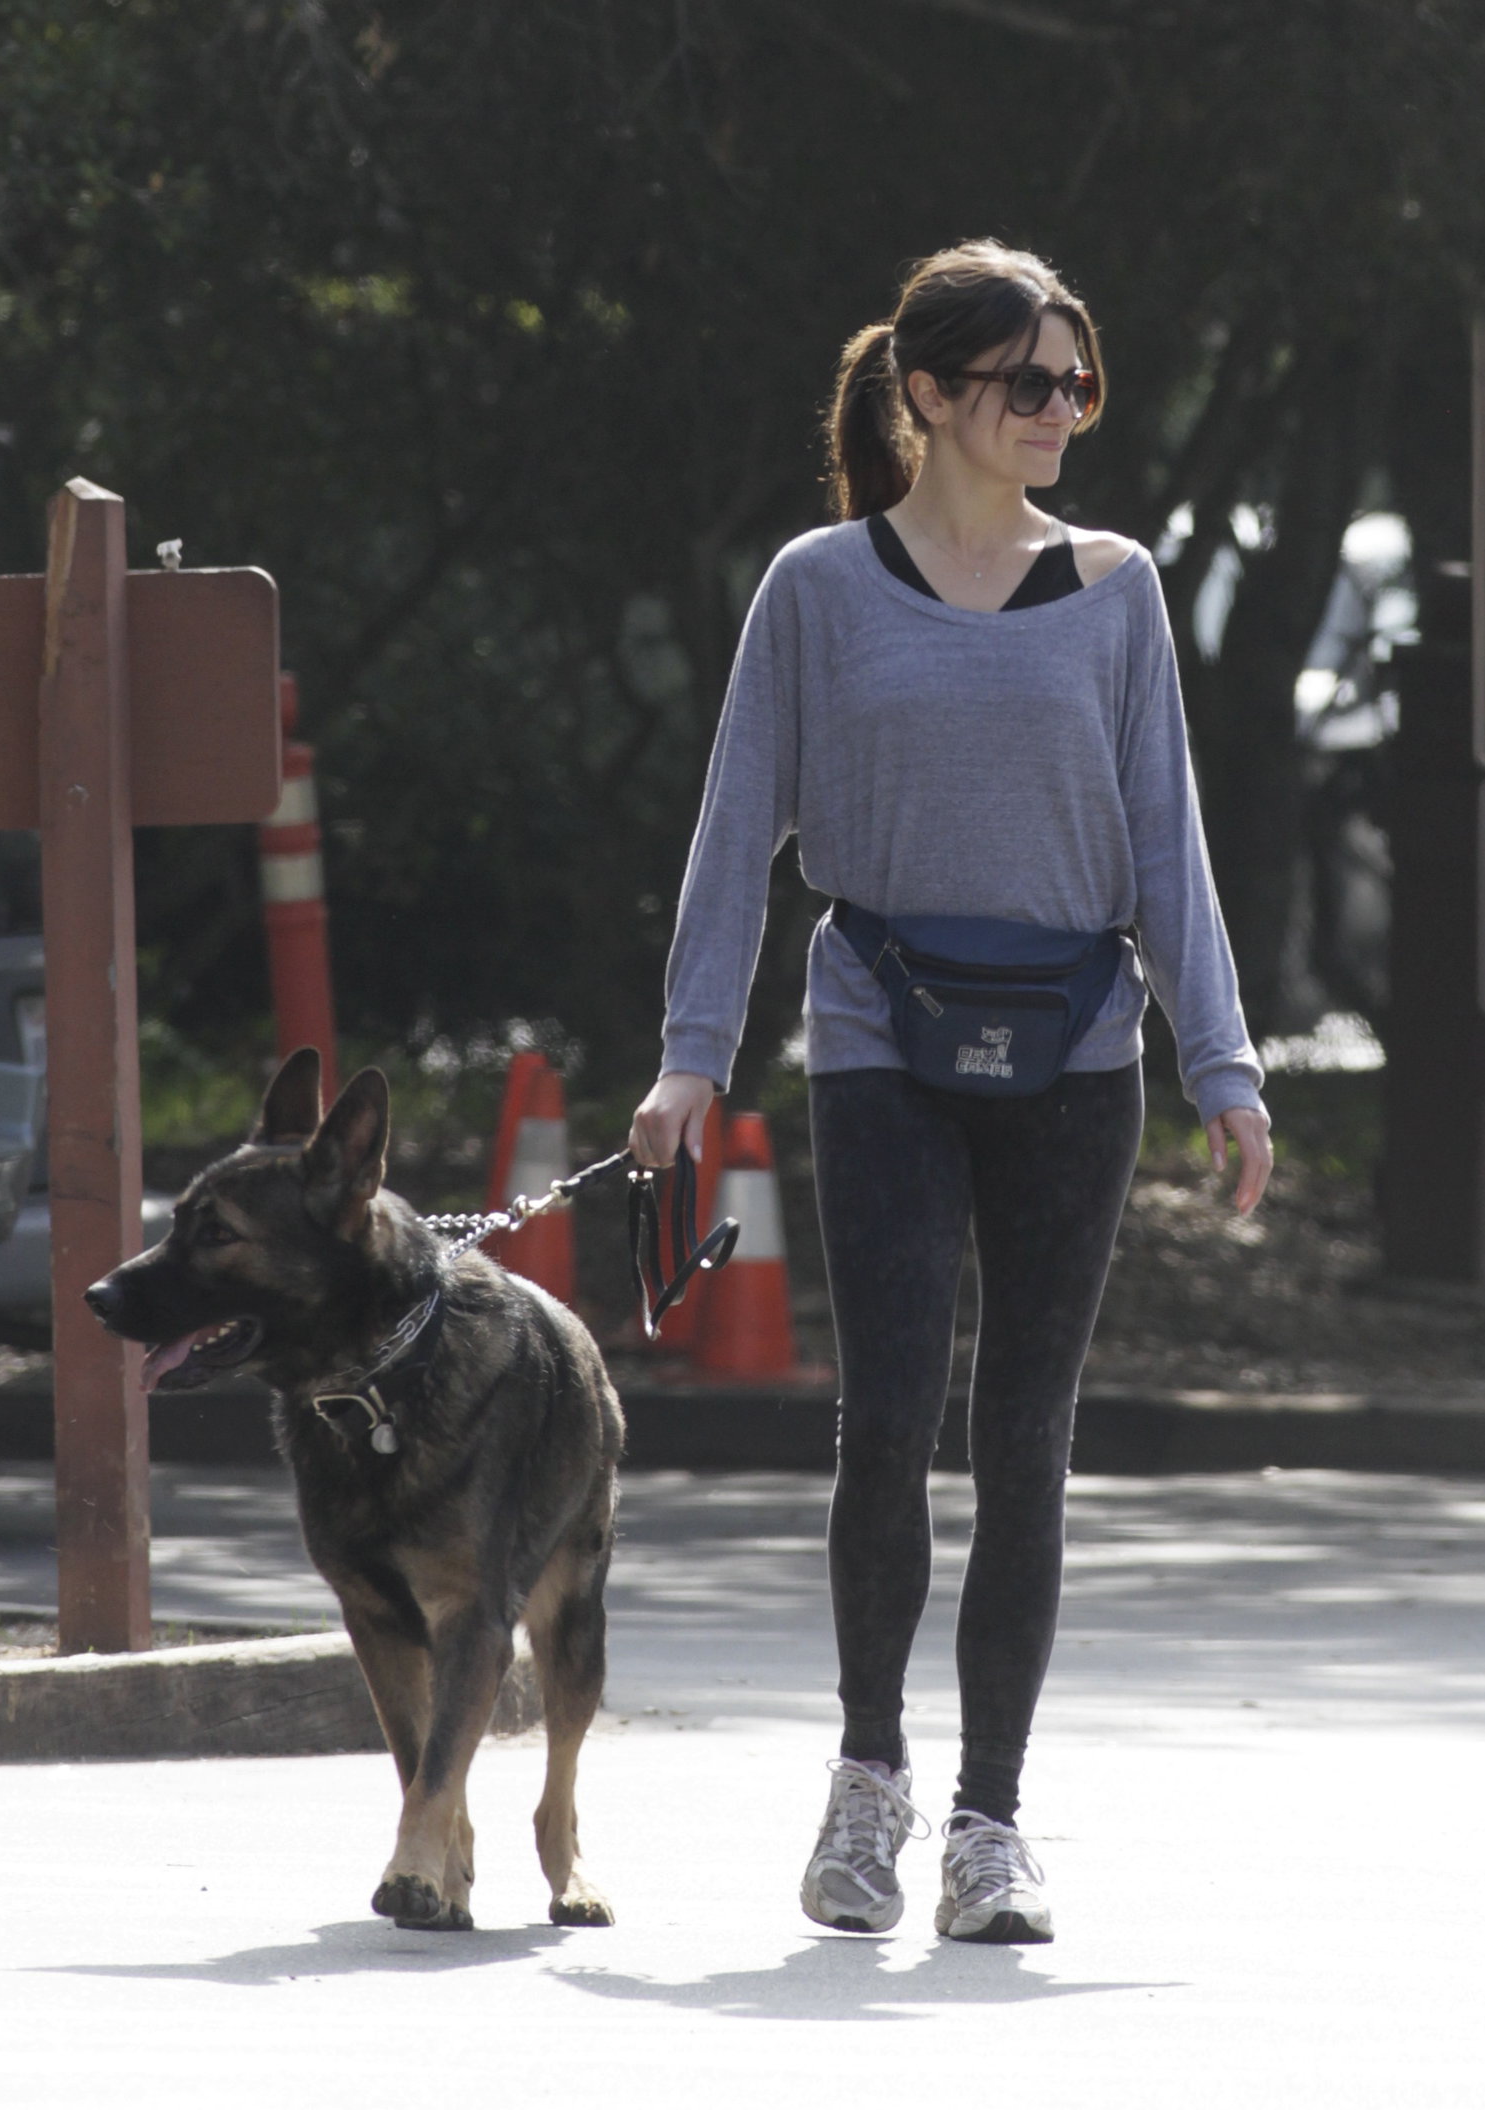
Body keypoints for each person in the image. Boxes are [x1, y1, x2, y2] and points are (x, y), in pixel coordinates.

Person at [630, 239, 1272, 1945]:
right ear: (926, 396)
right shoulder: (817, 588)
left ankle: (990, 1820)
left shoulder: (1119, 587)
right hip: (880, 1030)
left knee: (1026, 1440)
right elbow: (735, 830)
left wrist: (1220, 1062)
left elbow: (1166, 842)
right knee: (890, 1414)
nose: (1059, 411)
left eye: (1076, 381)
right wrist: (695, 1055)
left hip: (1074, 1047)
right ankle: (866, 1786)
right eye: (1024, 383)